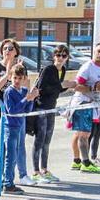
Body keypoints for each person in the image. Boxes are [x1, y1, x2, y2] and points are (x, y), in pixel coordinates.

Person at [33, 44, 75, 183]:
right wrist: (62, 85)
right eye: (58, 55)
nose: (60, 58)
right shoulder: (48, 69)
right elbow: (42, 89)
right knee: (39, 140)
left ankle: (44, 169)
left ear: (67, 57)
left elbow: (56, 90)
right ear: (53, 56)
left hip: (52, 108)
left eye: (64, 56)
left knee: (47, 141)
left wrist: (67, 87)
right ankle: (36, 171)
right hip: (41, 108)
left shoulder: (62, 70)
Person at [68, 42, 100, 173]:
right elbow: (76, 86)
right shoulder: (87, 67)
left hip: (93, 103)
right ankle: (86, 163)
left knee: (78, 134)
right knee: (84, 134)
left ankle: (76, 161)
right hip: (82, 103)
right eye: (98, 51)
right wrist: (93, 88)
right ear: (94, 51)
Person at [0, 64, 38, 195]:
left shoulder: (23, 91)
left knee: (15, 156)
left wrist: (31, 99)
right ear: (10, 77)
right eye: (14, 77)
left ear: (24, 79)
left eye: (19, 78)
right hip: (10, 127)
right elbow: (12, 110)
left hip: (19, 125)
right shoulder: (9, 92)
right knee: (10, 157)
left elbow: (27, 110)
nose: (16, 81)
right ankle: (7, 183)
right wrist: (26, 99)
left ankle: (8, 181)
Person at [0, 39, 23, 143]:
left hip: (14, 108)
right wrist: (7, 75)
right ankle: (1, 160)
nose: (7, 50)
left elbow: (25, 89)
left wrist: (21, 74)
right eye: (5, 48)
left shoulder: (20, 68)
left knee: (14, 141)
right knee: (0, 142)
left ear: (16, 52)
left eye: (11, 48)